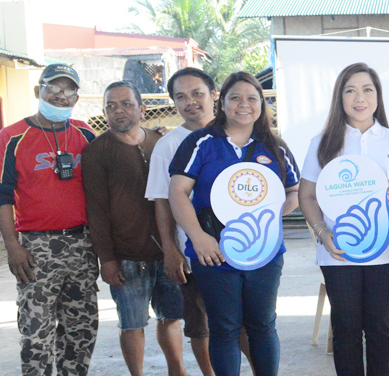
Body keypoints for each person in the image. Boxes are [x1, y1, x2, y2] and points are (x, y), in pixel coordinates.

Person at [168, 72, 300, 376]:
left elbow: (293, 193)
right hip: (214, 252)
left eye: (252, 98)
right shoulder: (201, 142)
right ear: (222, 102)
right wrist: (198, 237)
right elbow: (177, 192)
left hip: (264, 255)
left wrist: (266, 219)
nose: (244, 104)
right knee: (225, 327)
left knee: (263, 325)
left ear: (262, 105)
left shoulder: (274, 147)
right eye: (235, 97)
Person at [298, 62, 389, 376]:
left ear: (377, 96)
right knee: (346, 328)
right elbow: (306, 195)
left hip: (385, 253)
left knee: (380, 327)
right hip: (338, 252)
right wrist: (323, 234)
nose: (359, 97)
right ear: (340, 97)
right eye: (350, 90)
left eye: (367, 90)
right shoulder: (322, 142)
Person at [146, 67, 259, 376]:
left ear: (214, 96)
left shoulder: (244, 135)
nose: (190, 102)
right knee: (202, 326)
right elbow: (162, 201)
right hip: (197, 254)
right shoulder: (167, 145)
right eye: (181, 97)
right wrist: (172, 249)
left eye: (197, 93)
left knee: (247, 324)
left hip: (247, 250)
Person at [0, 63, 98, 376]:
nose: (61, 96)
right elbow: (0, 195)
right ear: (38, 91)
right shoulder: (12, 137)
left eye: (69, 90)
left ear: (77, 98)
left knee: (81, 329)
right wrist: (12, 246)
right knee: (36, 331)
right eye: (54, 87)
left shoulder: (85, 134)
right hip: (36, 248)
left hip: (82, 244)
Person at [82, 81, 188, 376]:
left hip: (169, 251)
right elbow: (97, 211)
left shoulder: (161, 142)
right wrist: (107, 259)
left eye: (126, 104)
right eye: (111, 106)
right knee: (131, 324)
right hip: (127, 255)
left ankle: (177, 370)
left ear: (142, 109)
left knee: (171, 318)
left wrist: (176, 249)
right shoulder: (96, 152)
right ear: (104, 112)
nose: (119, 111)